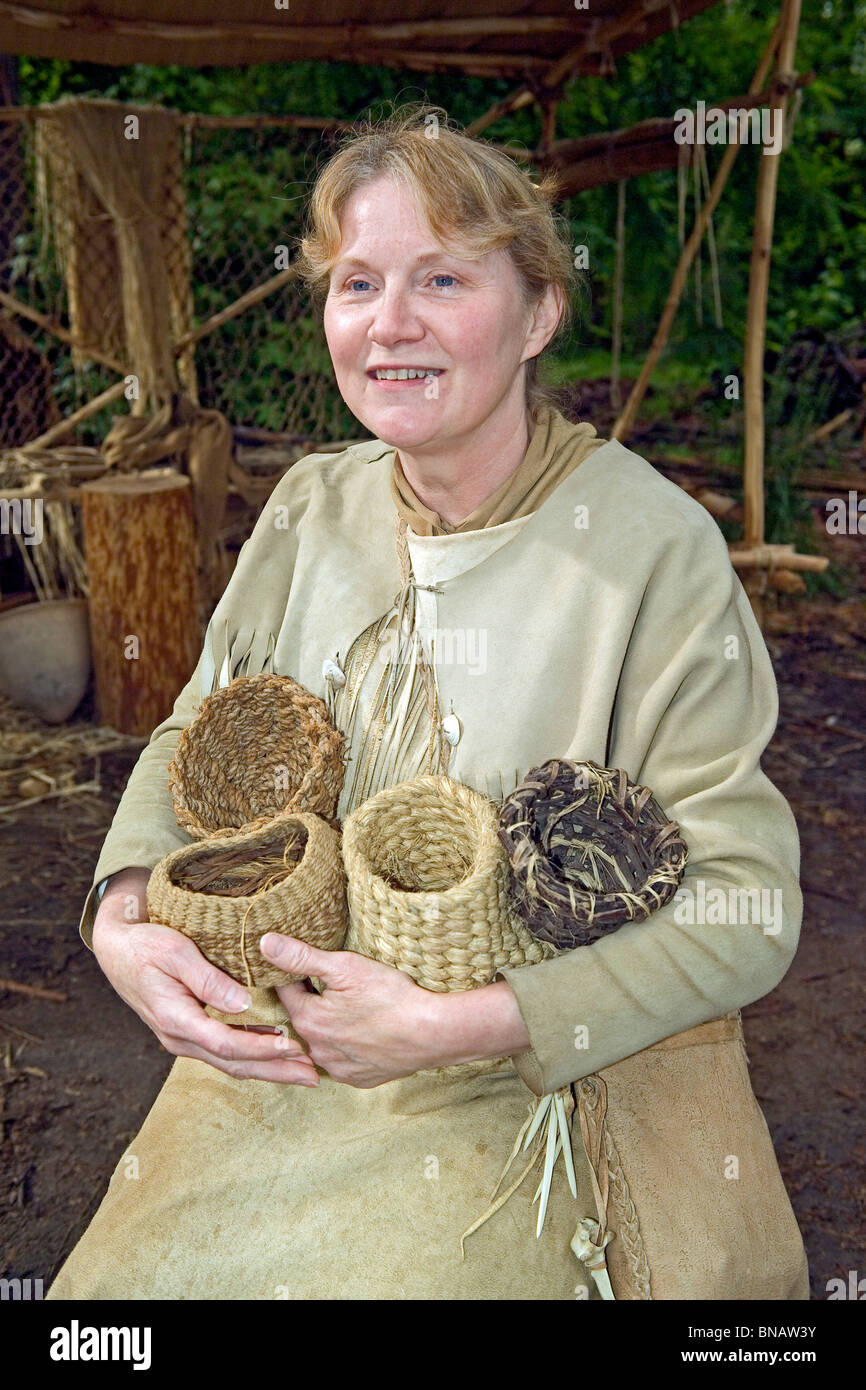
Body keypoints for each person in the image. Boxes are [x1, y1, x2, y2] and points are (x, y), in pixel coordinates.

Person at [48, 106, 805, 1300]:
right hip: (287, 1054)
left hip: (526, 1086)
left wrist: (464, 1022)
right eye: (357, 283)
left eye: (441, 279)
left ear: (538, 313)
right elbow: (194, 734)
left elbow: (745, 908)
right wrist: (123, 907)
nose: (389, 325)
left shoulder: (649, 549)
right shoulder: (308, 508)